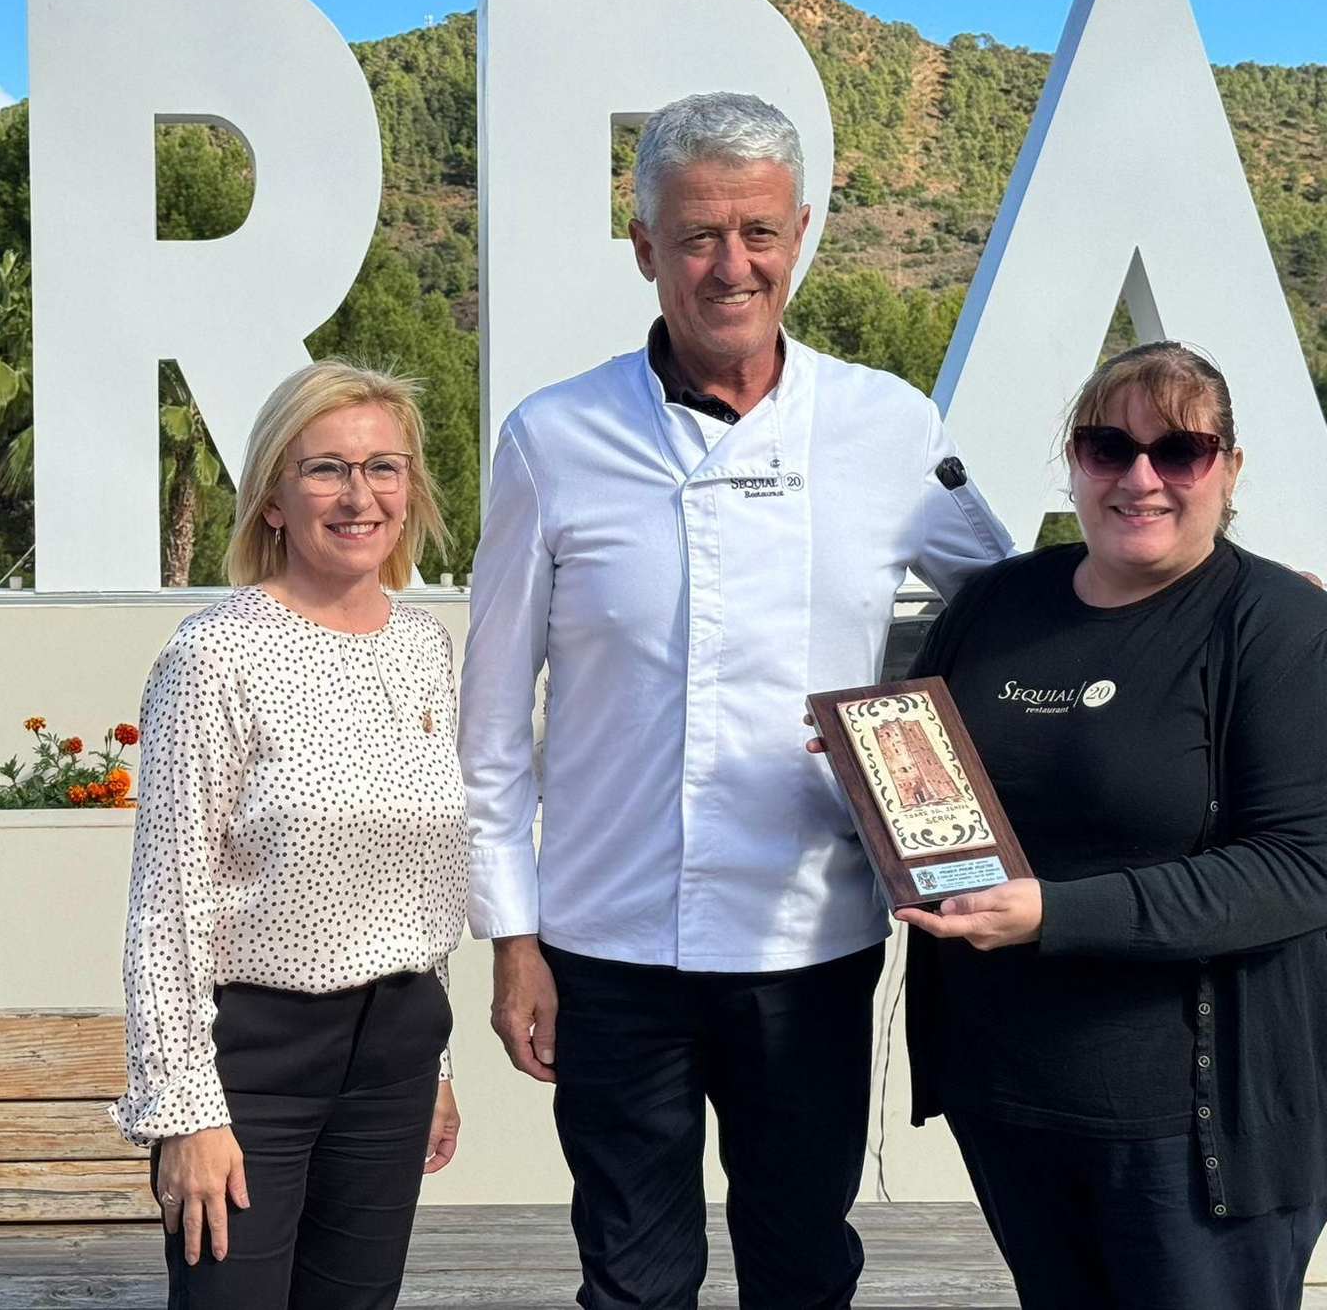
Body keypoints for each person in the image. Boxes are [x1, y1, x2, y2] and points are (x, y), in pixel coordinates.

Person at [459, 90, 1016, 1310]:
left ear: (802, 231)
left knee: (802, 1259)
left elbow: (1022, 599)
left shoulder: (886, 423)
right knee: (630, 1275)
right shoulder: (551, 437)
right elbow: (491, 725)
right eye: (698, 235)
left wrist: (1218, 585)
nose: (731, 265)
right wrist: (512, 938)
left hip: (805, 940)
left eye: (757, 232)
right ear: (644, 245)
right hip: (603, 945)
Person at [894, 342, 1327, 1309]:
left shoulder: (1278, 624)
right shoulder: (999, 604)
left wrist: (1057, 913)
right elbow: (945, 792)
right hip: (1008, 1101)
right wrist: (869, 770)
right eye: (1107, 447)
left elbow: (1301, 868)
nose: (1141, 478)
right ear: (1074, 462)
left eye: (1181, 451)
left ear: (1230, 467)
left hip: (1192, 1130)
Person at [113, 359, 468, 1310]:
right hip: (254, 1062)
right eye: (326, 470)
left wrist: (433, 1067)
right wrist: (184, 1113)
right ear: (273, 495)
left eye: (383, 468)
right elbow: (165, 906)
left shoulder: (425, 645)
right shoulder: (213, 655)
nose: (360, 496)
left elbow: (420, 886)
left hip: (395, 1051)